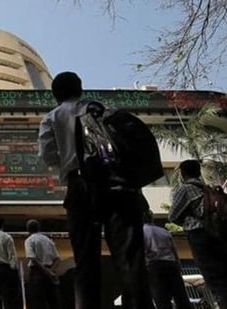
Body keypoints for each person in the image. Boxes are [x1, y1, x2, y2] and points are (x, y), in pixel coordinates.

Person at [38, 71, 154, 309]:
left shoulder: (53, 117)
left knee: (85, 261)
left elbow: (47, 156)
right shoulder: (105, 110)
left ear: (56, 95)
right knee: (130, 259)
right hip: (120, 187)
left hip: (80, 188)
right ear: (80, 89)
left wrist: (69, 163)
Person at [168, 159, 227, 309]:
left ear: (183, 173)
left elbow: (172, 216)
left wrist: (186, 221)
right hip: (217, 235)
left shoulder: (185, 189)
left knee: (212, 277)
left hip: (200, 237)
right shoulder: (207, 188)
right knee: (222, 275)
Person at [143, 210, 191, 309]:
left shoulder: (141, 231)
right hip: (171, 264)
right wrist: (178, 264)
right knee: (180, 296)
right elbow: (174, 250)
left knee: (161, 298)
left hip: (154, 265)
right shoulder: (164, 231)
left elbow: (144, 250)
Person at [24, 219, 61, 309]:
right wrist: (51, 272)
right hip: (50, 270)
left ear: (28, 230)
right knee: (53, 300)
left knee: (38, 301)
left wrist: (46, 271)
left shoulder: (29, 240)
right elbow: (57, 259)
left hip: (37, 272)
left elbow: (33, 259)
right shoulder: (48, 240)